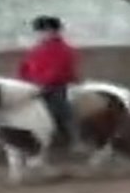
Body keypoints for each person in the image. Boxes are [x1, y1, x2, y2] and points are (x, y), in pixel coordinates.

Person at [18, 15, 84, 152]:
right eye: (39, 31)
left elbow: (57, 71)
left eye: (44, 31)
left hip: (57, 85)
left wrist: (42, 86)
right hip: (35, 86)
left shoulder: (64, 49)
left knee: (59, 107)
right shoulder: (36, 49)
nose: (40, 34)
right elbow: (24, 67)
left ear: (54, 31)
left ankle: (75, 139)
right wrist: (23, 83)